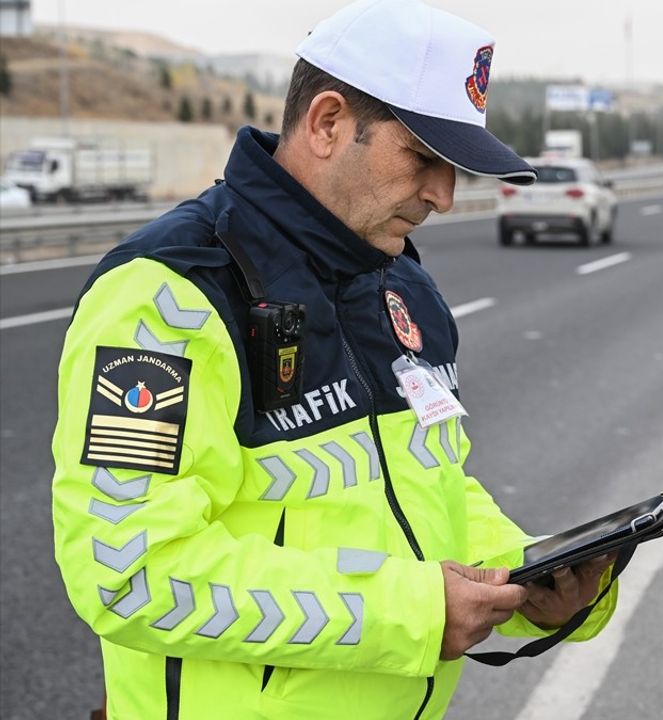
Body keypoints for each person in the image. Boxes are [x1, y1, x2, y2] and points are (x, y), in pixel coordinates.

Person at [49, 1, 618, 718]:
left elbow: (432, 486)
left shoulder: (402, 284)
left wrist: (529, 572)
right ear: (326, 123)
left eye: (456, 169)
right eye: (423, 159)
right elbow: (128, 571)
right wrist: (410, 611)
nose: (443, 196)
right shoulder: (168, 295)